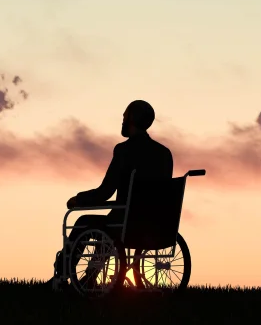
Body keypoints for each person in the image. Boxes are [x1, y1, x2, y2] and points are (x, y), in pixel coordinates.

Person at [51, 100, 174, 288]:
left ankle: (62, 275)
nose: (122, 121)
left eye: (124, 117)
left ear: (131, 118)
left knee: (86, 221)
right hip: (155, 226)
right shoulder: (164, 154)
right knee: (107, 225)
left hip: (126, 225)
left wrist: (79, 199)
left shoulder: (124, 151)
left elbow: (105, 192)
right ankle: (91, 277)